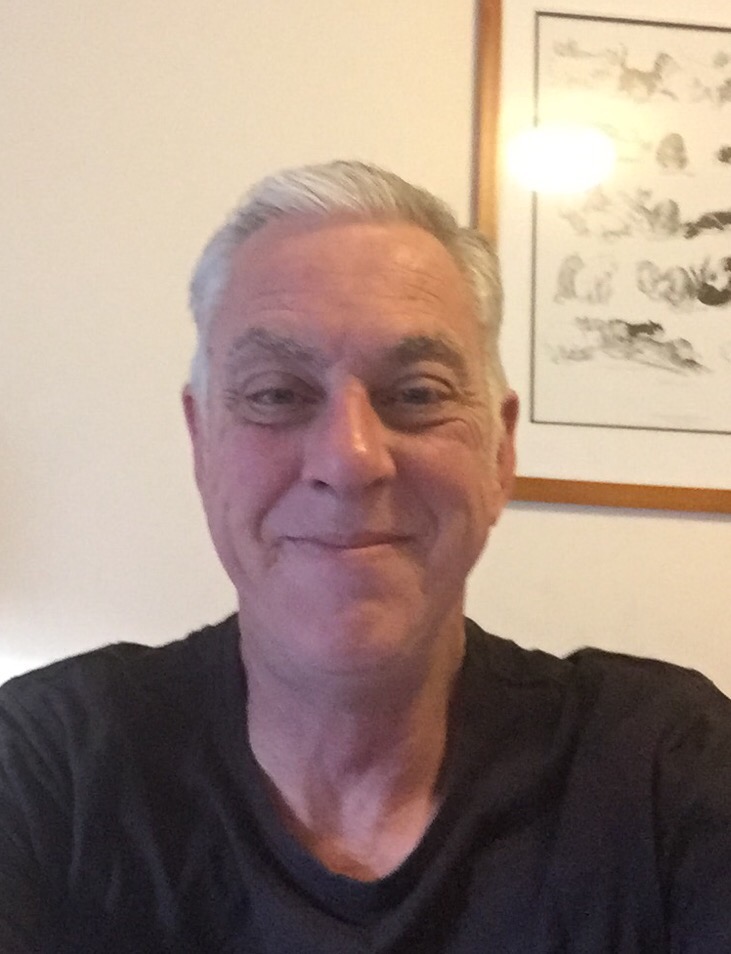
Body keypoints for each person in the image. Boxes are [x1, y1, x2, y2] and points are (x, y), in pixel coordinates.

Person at [1, 160, 729, 954]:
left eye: (416, 394)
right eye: (276, 394)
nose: (349, 459)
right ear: (201, 442)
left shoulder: (663, 767)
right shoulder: (45, 769)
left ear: (499, 451)